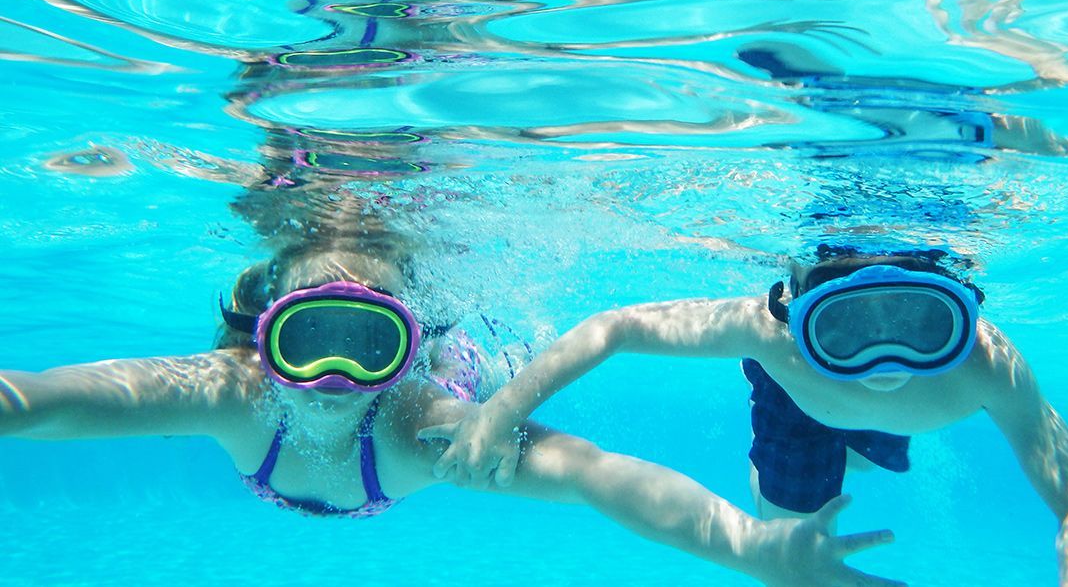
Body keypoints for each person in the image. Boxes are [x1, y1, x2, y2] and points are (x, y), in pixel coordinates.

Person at [0, 242, 908, 587]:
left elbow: (596, 477)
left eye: (372, 345)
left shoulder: (421, 428)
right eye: (307, 336)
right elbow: (40, 402)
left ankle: (463, 347)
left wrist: (755, 548)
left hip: (456, 381)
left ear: (403, 349)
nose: (332, 377)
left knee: (481, 372)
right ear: (264, 338)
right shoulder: (230, 391)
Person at [425, 244, 1068, 586]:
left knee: (860, 446)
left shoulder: (985, 362)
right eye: (844, 329)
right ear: (792, 313)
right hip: (798, 404)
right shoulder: (768, 337)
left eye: (919, 323)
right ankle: (823, 446)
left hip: (854, 405)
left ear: (964, 314)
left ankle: (853, 443)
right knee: (790, 557)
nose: (882, 361)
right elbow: (615, 326)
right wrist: (502, 409)